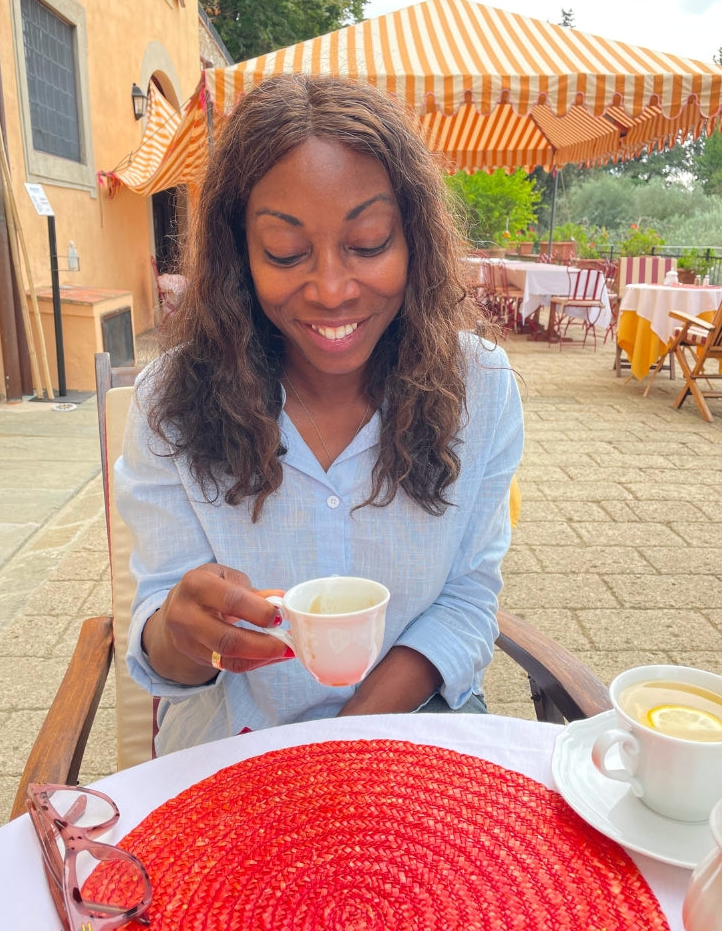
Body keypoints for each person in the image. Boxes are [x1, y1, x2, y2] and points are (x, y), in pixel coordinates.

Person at [115, 75, 524, 754]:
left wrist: (342, 743)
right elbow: (164, 650)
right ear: (239, 256)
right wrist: (181, 632)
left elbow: (467, 599)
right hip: (234, 744)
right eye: (285, 252)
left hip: (415, 725)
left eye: (367, 243)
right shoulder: (170, 403)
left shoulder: (480, 388)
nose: (332, 290)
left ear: (413, 241)